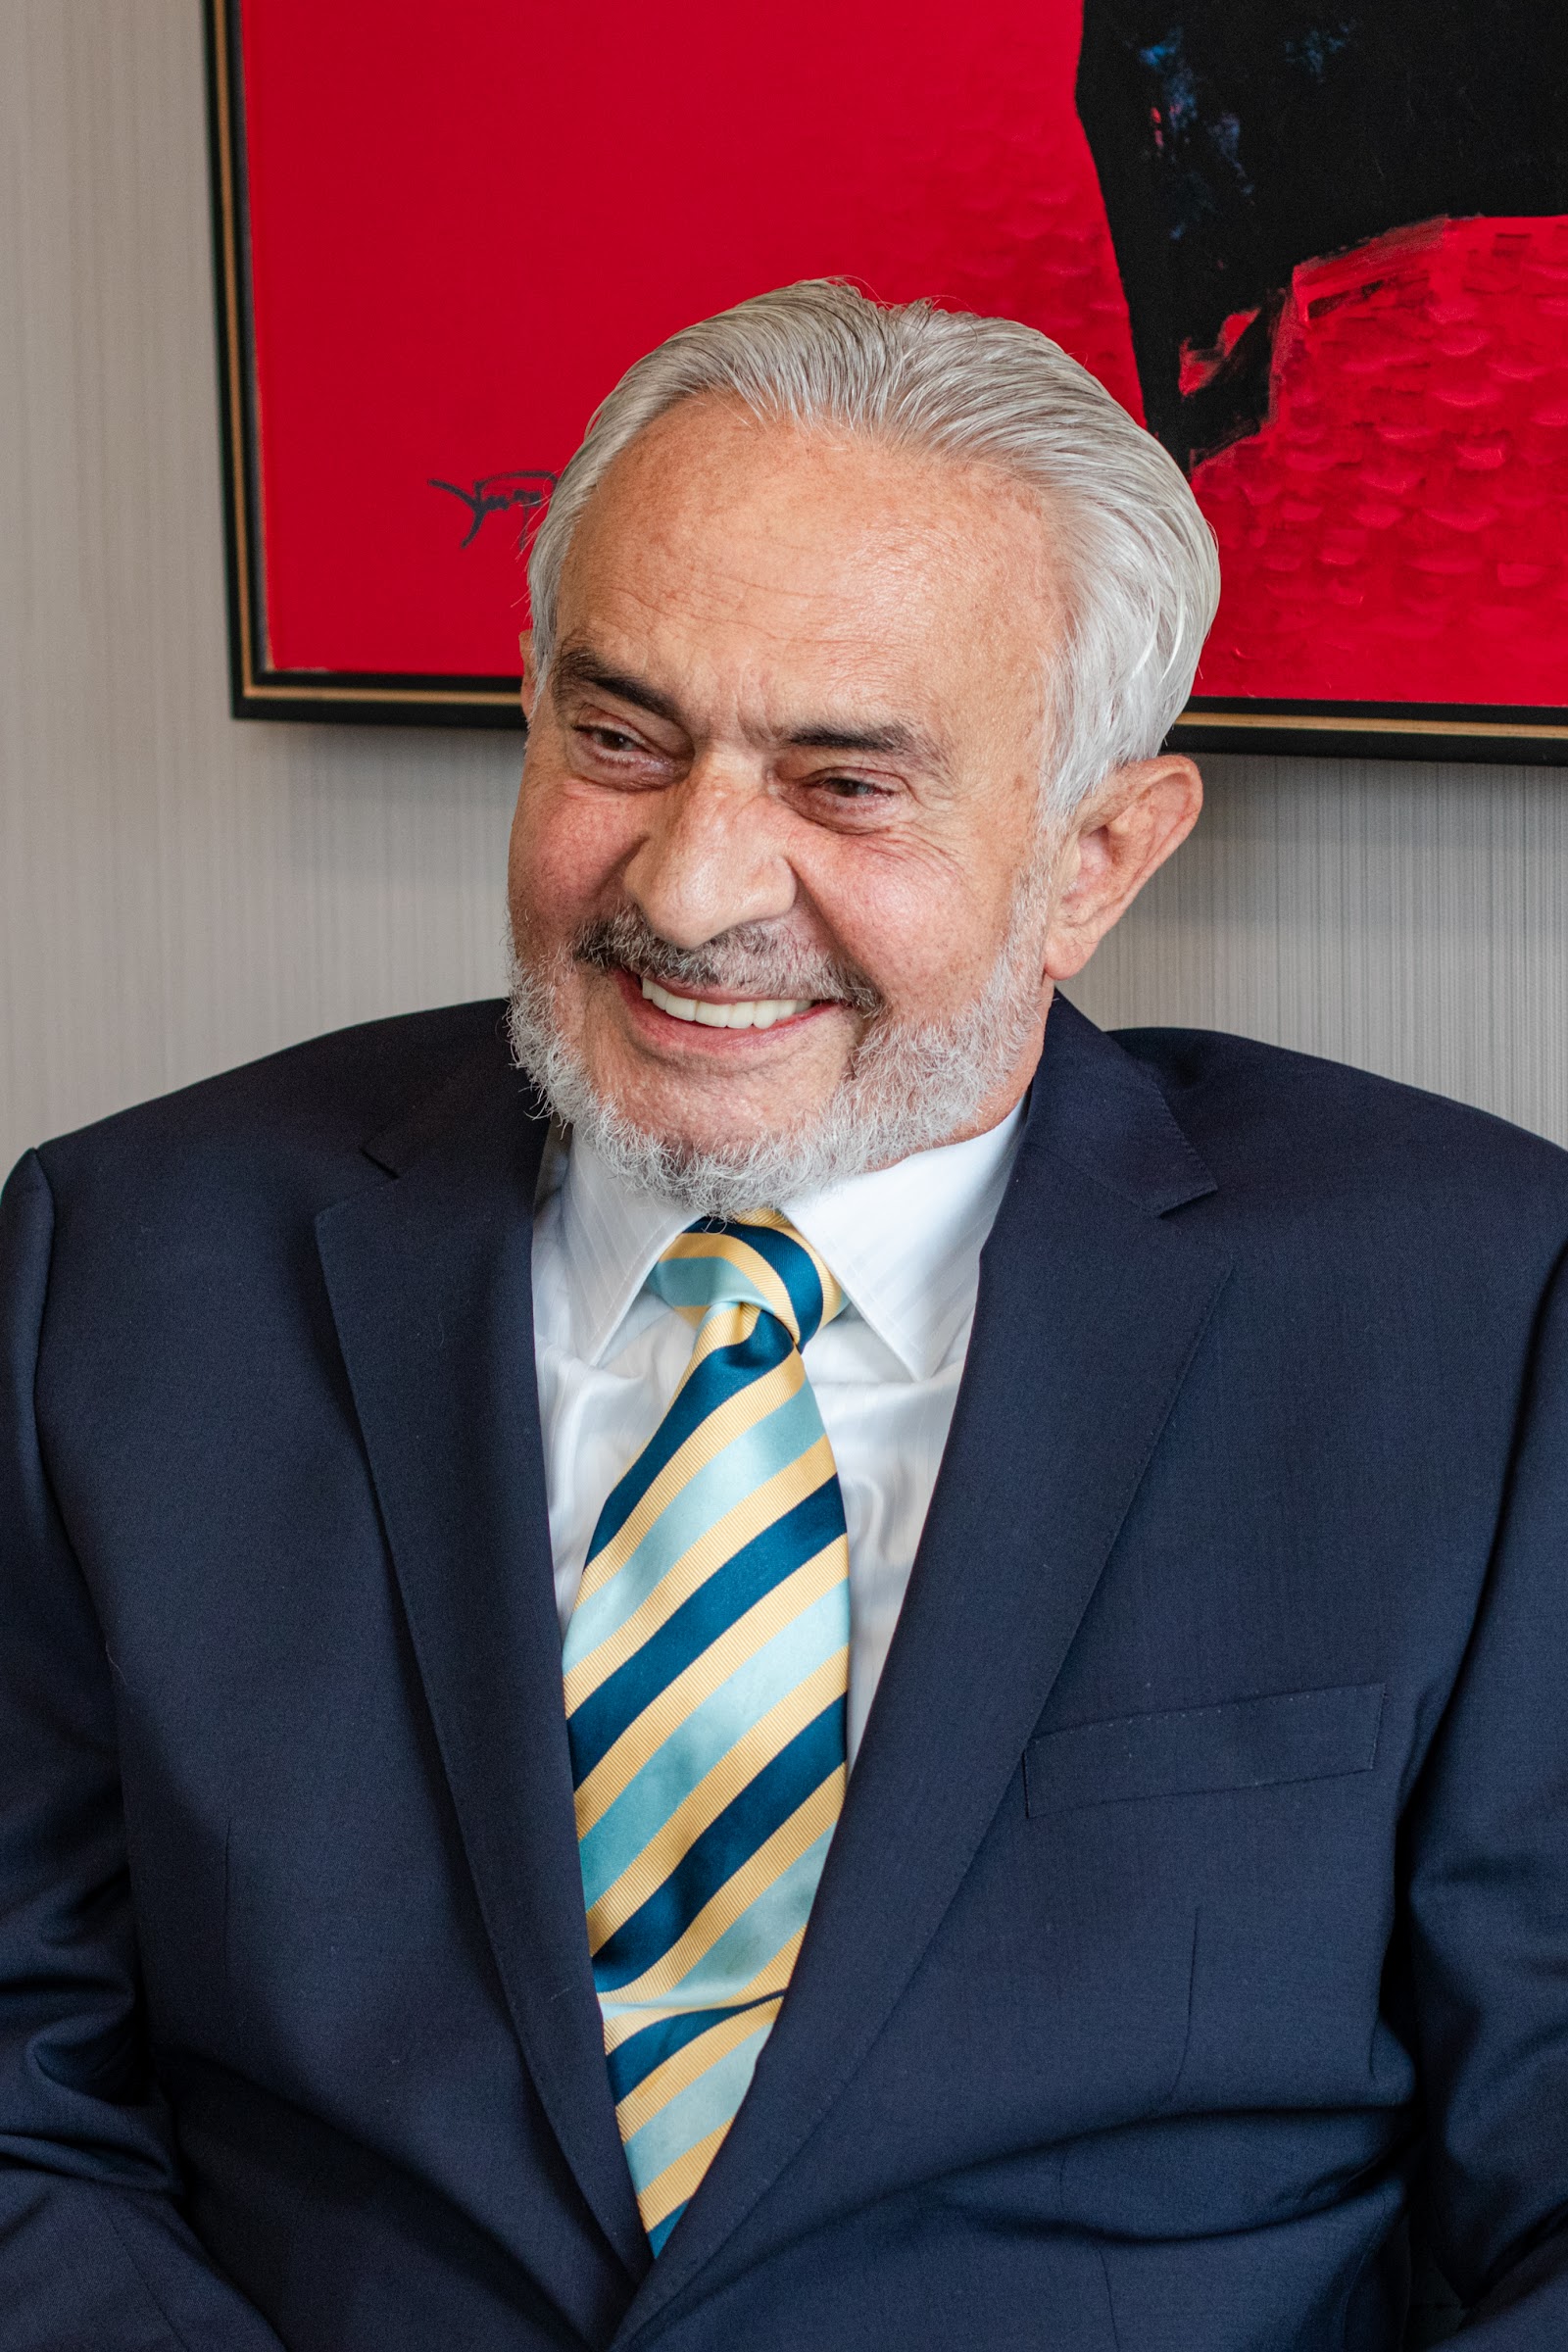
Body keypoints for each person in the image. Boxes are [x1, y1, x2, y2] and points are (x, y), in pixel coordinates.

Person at [2, 280, 1566, 2352]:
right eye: (619, 739)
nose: (688, 888)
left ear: (1097, 857)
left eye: (843, 786)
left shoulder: (1468, 1316)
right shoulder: (126, 1265)